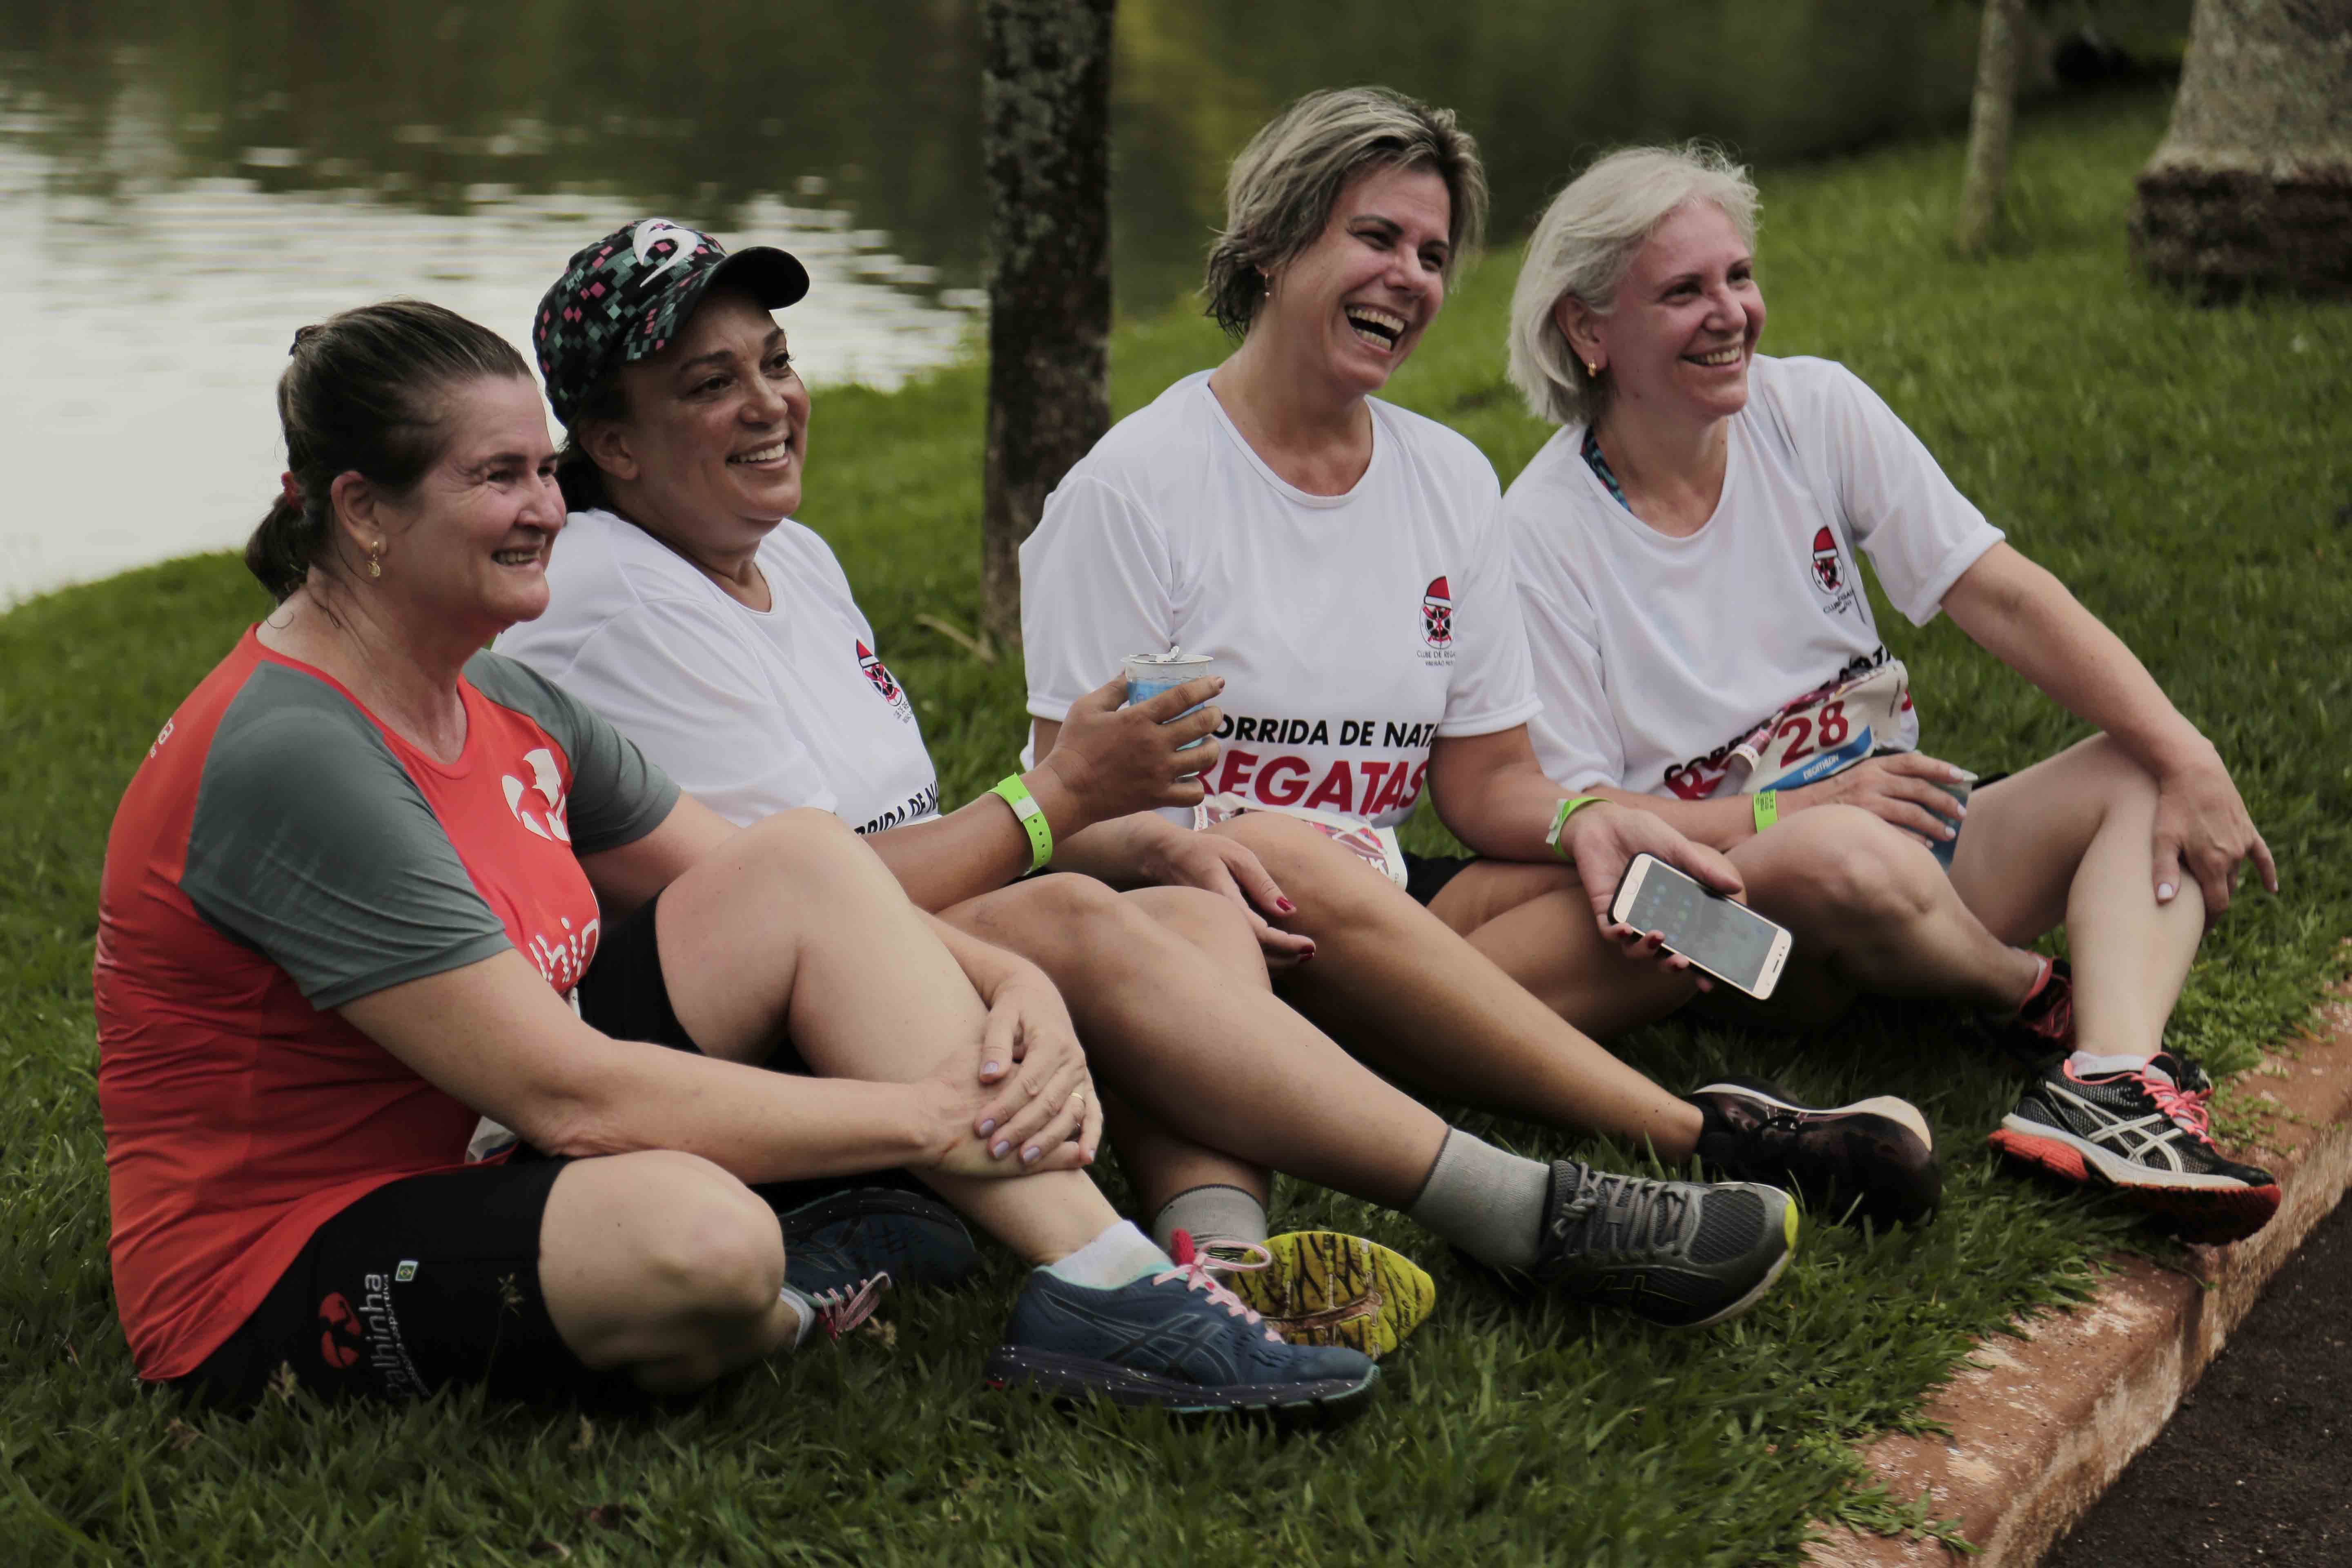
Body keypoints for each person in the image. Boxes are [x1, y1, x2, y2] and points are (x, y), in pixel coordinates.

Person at [494, 217, 1801, 1343]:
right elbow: (809, 890)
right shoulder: (615, 602)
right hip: (811, 1014)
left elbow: (1491, 774)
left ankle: (1224, 1256)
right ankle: (1551, 1198)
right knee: (1131, 906)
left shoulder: (798, 558)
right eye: (710, 385)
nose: (770, 402)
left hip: (1185, 929)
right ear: (608, 441)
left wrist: (1142, 839)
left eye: (776, 363)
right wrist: (1070, 805)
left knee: (1206, 894)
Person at [93, 299, 1380, 1417]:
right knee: (706, 1246)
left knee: (808, 859)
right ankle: (801, 1290)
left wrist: (1014, 983)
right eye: (499, 478)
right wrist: (931, 1116)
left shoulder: (506, 704)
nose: (547, 507)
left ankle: (1115, 1293)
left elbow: (796, 883)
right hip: (280, 1250)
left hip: (480, 1141)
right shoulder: (296, 750)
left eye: (544, 470)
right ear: (364, 513)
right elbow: (574, 1098)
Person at [1016, 87, 1940, 1233]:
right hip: (1202, 923)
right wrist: (1195, 857)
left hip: (1381, 909)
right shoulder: (1135, 488)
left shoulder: (1447, 478)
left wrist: (1583, 820)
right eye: (1376, 237)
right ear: (1271, 245)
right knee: (1275, 841)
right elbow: (1071, 808)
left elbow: (1487, 782)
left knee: (1651, 891)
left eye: (1434, 253)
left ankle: (1834, 988)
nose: (1410, 275)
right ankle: (1706, 1133)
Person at [1497, 145, 2279, 1242]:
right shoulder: (1536, 537)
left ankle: (2108, 1080)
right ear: (1589, 332)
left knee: (2138, 768)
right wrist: (1798, 814)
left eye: (1739, 276)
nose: (1733, 314)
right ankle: (2020, 992)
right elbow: (1595, 829)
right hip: (1731, 929)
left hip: (1919, 856)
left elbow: (2000, 594)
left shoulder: (1811, 408)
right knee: (1841, 852)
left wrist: (2187, 751)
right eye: (1684, 292)